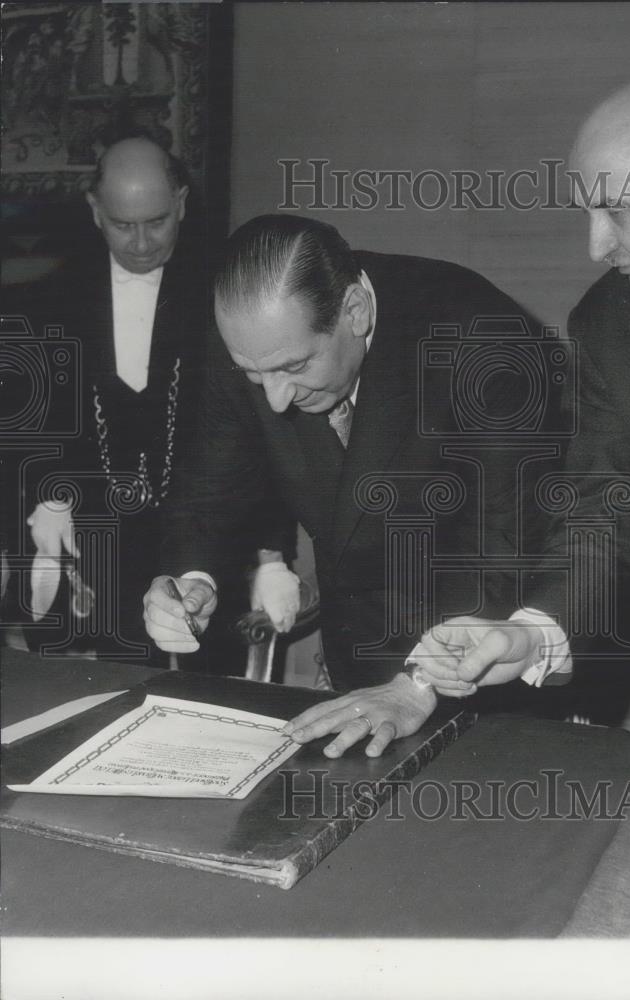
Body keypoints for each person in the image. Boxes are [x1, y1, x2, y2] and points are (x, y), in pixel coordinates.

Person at [287, 74, 630, 751]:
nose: (594, 246)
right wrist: (532, 631)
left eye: (615, 211)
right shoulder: (610, 323)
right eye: (585, 212)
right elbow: (603, 508)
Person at [144, 213, 563, 723]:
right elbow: (209, 489)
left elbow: (505, 550)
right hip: (354, 659)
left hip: (484, 673)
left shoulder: (485, 343)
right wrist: (190, 580)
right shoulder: (254, 342)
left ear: (356, 311)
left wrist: (419, 682)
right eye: (253, 374)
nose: (274, 400)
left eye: (295, 368)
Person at [22, 136, 210, 661]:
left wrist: (269, 557)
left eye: (158, 221)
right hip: (81, 542)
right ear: (95, 211)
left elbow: (252, 435)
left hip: (186, 545)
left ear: (181, 203)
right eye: (124, 225)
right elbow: (25, 424)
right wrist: (46, 494)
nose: (144, 242)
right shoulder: (48, 299)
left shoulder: (217, 292)